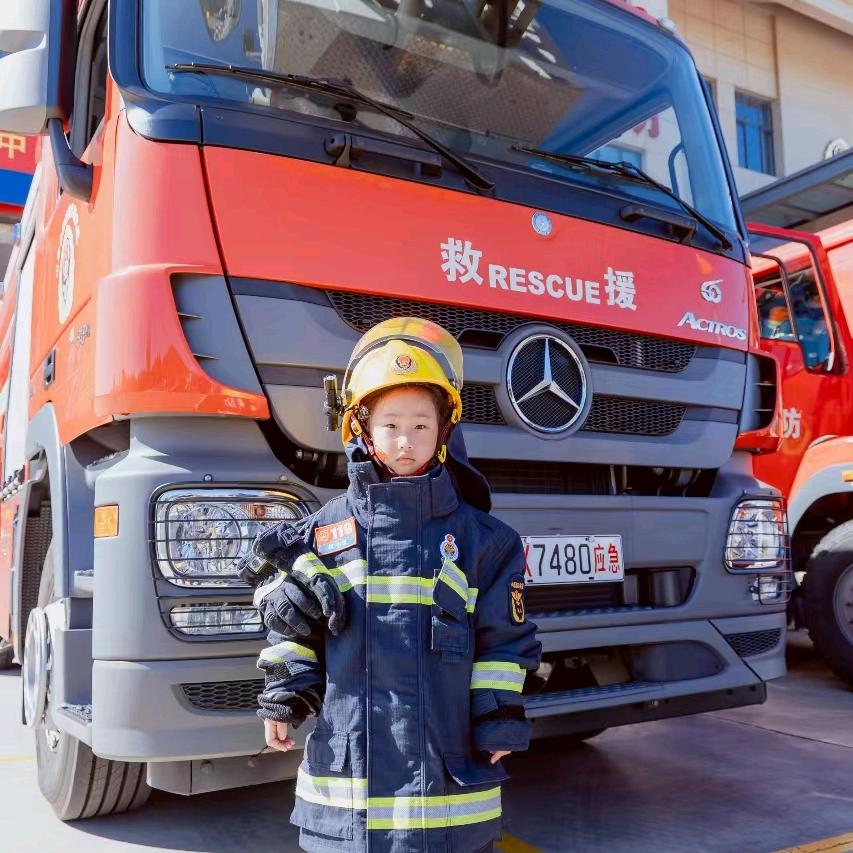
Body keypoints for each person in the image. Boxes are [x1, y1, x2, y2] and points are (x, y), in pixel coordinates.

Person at [248, 317, 542, 853]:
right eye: (390, 425)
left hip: (447, 793)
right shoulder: (323, 535)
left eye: (421, 425)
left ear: (445, 430)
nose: (406, 441)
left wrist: (498, 717)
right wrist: (284, 695)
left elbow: (504, 643)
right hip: (348, 804)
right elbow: (295, 632)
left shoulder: (487, 542)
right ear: (361, 429)